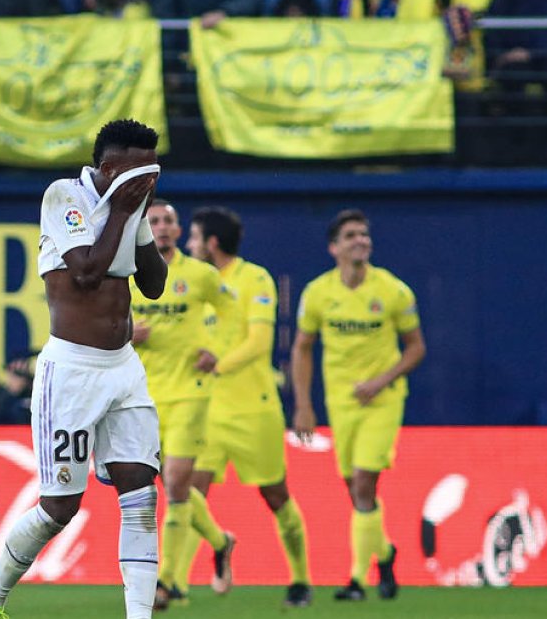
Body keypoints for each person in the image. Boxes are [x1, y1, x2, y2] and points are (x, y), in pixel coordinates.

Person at [0, 119, 168, 619]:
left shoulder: (134, 206)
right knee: (59, 508)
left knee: (141, 494)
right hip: (72, 372)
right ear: (107, 168)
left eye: (153, 169)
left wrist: (139, 215)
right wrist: (123, 211)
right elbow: (84, 273)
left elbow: (155, 285)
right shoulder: (63, 197)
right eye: (137, 169)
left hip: (123, 368)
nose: (148, 179)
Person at [179, 206, 313, 608]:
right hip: (205, 408)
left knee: (275, 495)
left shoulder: (255, 279)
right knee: (186, 490)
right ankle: (175, 583)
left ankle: (301, 579)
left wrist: (217, 363)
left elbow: (258, 344)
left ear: (212, 243)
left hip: (253, 409)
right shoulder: (190, 281)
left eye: (195, 237)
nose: (189, 244)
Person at [291, 209, 426, 601]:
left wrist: (381, 381)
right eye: (351, 236)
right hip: (341, 401)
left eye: (364, 235)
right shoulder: (318, 293)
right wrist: (303, 405)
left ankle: (356, 580)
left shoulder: (394, 291)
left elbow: (416, 347)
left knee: (365, 482)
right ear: (334, 248)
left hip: (383, 400)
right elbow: (302, 347)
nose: (360, 241)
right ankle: (384, 555)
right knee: (355, 489)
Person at [127, 199, 234, 610]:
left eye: (169, 220)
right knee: (171, 486)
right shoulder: (129, 275)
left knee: (174, 484)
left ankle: (167, 581)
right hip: (144, 395)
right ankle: (221, 542)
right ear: (143, 229)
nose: (163, 227)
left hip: (191, 390)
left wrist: (217, 350)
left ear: (177, 228)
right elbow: (106, 322)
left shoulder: (201, 276)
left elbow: (233, 315)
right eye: (154, 221)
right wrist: (127, 332)